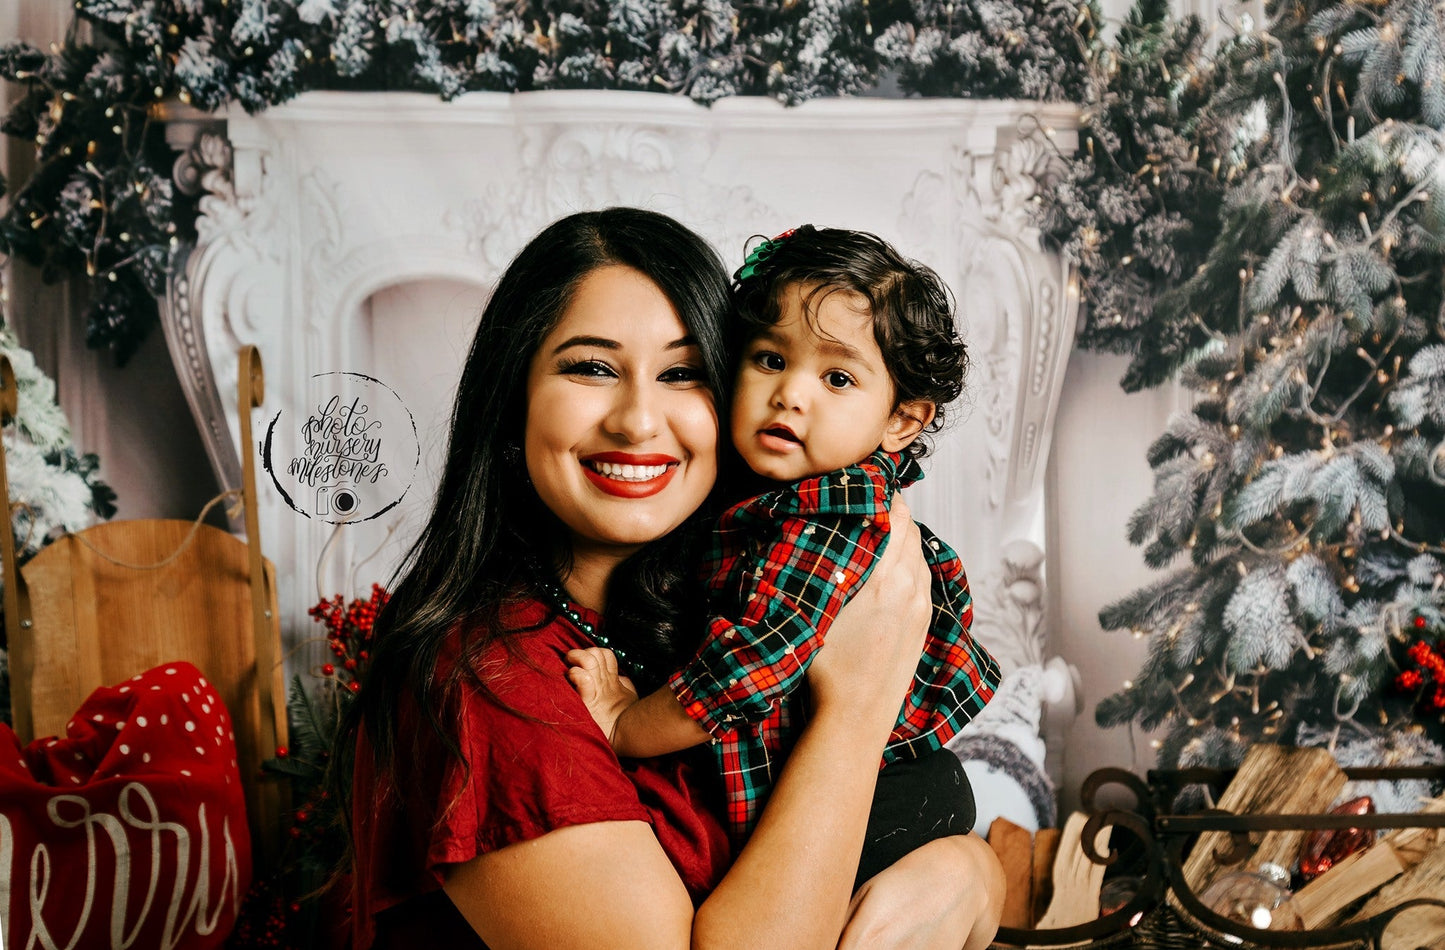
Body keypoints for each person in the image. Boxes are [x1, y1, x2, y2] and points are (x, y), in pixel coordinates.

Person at [344, 207, 1005, 950]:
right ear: (513, 397)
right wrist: (854, 707)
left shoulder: (700, 605)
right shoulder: (494, 679)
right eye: (590, 367)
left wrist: (968, 873)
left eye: (683, 372)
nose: (637, 420)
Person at [567, 225, 1001, 888]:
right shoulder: (758, 497)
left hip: (888, 798)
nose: (790, 394)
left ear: (901, 421)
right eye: (770, 359)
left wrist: (626, 725)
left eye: (836, 377)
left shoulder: (833, 516)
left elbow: (751, 665)